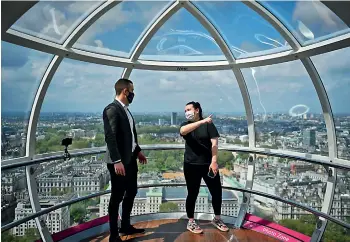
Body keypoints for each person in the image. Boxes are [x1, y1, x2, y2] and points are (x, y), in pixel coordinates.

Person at [103, 78, 147, 242]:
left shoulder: (126, 110)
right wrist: (116, 161)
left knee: (132, 192)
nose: (133, 94)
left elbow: (130, 137)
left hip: (130, 160)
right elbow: (111, 137)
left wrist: (138, 151)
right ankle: (114, 235)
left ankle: (125, 226)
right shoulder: (112, 109)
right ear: (125, 91)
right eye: (132, 90)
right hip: (119, 163)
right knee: (116, 197)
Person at [180, 101, 229, 234]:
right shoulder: (186, 125)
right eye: (185, 111)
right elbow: (183, 131)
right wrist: (202, 122)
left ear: (196, 110)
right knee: (192, 193)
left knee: (216, 192)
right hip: (191, 165)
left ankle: (217, 218)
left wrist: (214, 161)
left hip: (208, 165)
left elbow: (214, 143)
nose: (186, 112)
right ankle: (191, 221)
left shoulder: (209, 125)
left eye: (188, 109)